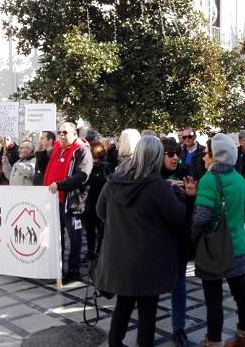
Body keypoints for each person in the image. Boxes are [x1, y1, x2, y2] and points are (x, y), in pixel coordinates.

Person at [95, 136, 187, 347]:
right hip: (148, 261)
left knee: (123, 304)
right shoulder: (157, 186)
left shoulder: (115, 181)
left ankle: (115, 343)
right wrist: (180, 195)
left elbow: (100, 212)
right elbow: (178, 216)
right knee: (148, 311)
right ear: (156, 158)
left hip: (119, 258)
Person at [193, 134, 245, 347]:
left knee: (214, 300)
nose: (203, 158)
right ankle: (244, 337)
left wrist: (194, 236)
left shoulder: (209, 180)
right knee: (241, 294)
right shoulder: (238, 178)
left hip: (214, 251)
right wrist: (234, 223)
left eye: (206, 153)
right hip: (237, 246)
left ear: (216, 156)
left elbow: (201, 218)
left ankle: (214, 341)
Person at [43, 122, 93, 284]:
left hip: (72, 202)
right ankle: (57, 269)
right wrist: (39, 151)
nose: (62, 135)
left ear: (75, 134)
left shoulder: (82, 151)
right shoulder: (58, 148)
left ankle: (73, 271)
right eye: (60, 132)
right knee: (56, 237)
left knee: (75, 238)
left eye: (65, 132)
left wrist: (60, 185)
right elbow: (44, 166)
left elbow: (82, 176)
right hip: (56, 201)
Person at [160, 137, 197, 347]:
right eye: (170, 154)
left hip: (179, 239)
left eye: (177, 154)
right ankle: (146, 327)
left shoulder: (185, 171)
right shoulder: (153, 176)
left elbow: (188, 213)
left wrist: (191, 196)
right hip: (158, 241)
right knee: (151, 286)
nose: (175, 158)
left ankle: (179, 329)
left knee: (179, 285)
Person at [81, 141, 114, 263]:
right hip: (89, 202)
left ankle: (100, 252)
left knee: (101, 229)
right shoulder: (86, 165)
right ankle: (90, 252)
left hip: (100, 202)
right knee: (90, 230)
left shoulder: (106, 166)